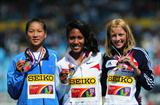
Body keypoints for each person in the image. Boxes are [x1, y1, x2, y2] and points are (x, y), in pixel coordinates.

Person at [101, 18, 154, 105]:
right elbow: (103, 88)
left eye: (121, 34)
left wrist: (134, 67)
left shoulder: (140, 54)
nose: (117, 39)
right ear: (109, 38)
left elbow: (150, 85)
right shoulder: (106, 56)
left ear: (127, 34)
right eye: (114, 35)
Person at [7, 18, 59, 105]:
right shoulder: (17, 60)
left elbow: (61, 89)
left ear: (45, 34)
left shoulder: (55, 57)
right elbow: (13, 94)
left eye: (39, 31)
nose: (35, 35)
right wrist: (18, 73)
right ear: (26, 34)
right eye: (31, 31)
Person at [56, 19, 102, 105]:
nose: (76, 42)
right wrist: (63, 82)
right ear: (67, 39)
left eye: (80, 38)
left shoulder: (97, 58)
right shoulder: (60, 64)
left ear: (85, 39)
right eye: (72, 38)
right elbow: (57, 97)